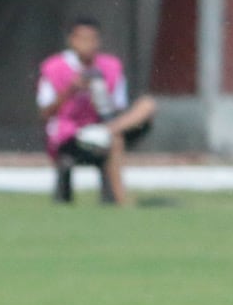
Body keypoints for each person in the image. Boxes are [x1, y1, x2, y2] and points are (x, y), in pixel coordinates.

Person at [38, 16, 157, 205]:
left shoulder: (111, 67)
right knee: (114, 140)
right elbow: (45, 113)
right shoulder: (54, 68)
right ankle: (122, 200)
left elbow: (117, 109)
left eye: (92, 39)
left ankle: (107, 132)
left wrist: (99, 97)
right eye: (83, 39)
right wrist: (71, 90)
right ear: (72, 40)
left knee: (147, 104)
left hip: (103, 126)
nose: (88, 44)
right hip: (70, 134)